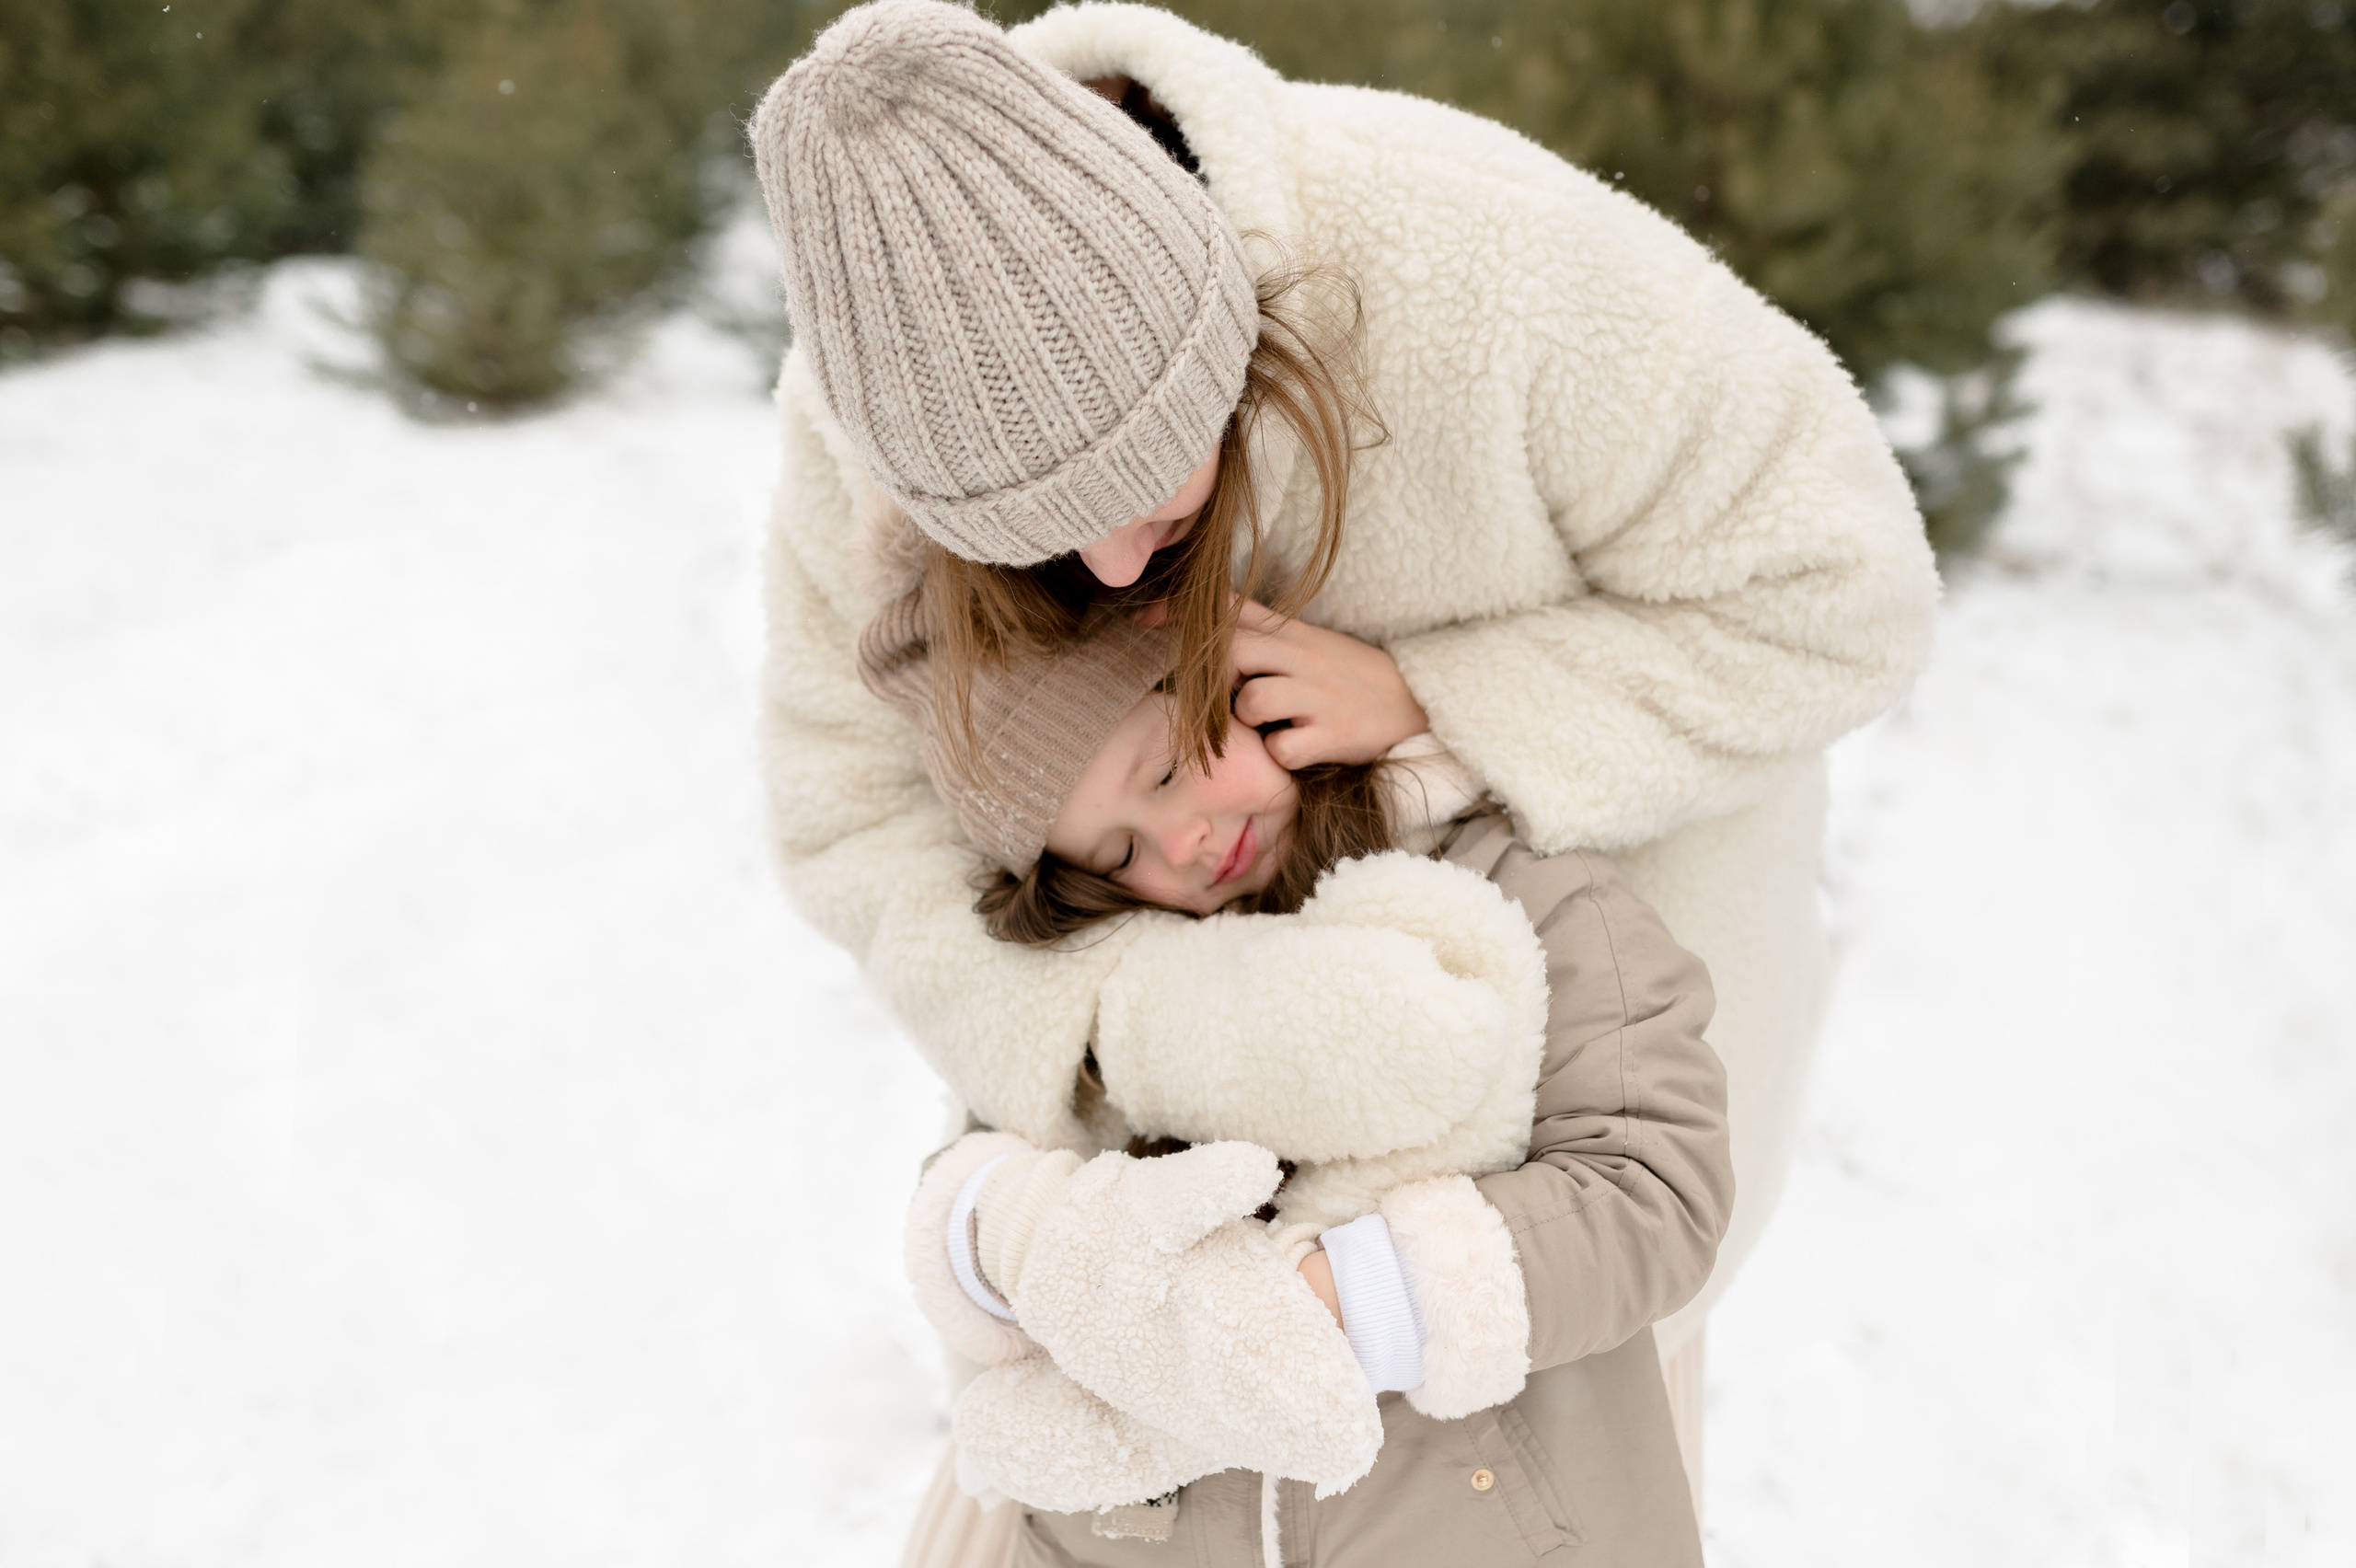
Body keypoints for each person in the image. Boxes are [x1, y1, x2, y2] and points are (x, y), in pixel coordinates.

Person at [745, 0, 1937, 1543]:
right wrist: (1125, 1036)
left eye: (1140, 481)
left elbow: (1844, 588)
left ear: (1229, 327)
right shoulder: (887, 398)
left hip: (1571, 1052)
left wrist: (1440, 696)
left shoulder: (1483, 260)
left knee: (1544, 1437)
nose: (1110, 561)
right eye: (1036, 530)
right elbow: (852, 807)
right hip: (1165, 1168)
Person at [860, 591, 1732, 1564]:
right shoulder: (1109, 986)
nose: (1180, 840)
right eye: (1118, 854)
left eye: (1167, 771)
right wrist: (1036, 1244)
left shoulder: (1516, 894)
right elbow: (976, 1175)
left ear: (1238, 691)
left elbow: (1651, 1187)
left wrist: (1329, 1304)